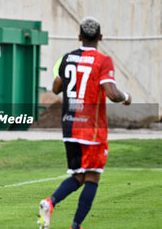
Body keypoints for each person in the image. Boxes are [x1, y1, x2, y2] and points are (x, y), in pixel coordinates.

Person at [37, 17, 132, 229]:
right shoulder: (103, 60)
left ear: (79, 37)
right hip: (91, 128)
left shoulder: (67, 58)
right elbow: (112, 93)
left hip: (70, 126)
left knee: (78, 176)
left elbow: (56, 88)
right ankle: (75, 225)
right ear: (100, 37)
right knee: (93, 177)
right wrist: (127, 97)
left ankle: (50, 203)